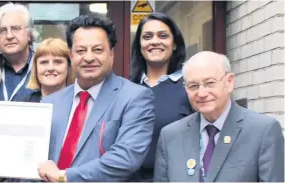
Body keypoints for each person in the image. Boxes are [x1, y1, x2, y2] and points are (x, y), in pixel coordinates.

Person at [36, 15, 155, 182]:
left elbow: (126, 158)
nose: (89, 57)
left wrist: (65, 177)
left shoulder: (135, 98)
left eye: (97, 50)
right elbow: (35, 159)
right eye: (81, 50)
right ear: (71, 56)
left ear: (111, 54)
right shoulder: (51, 102)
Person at [154, 51, 284, 182]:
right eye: (193, 86)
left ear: (229, 82)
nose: (202, 93)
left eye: (210, 83)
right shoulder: (170, 136)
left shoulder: (263, 131)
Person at [129, 12, 194, 181]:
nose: (155, 41)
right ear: (140, 45)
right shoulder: (126, 89)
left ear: (174, 44)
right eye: (147, 36)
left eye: (163, 36)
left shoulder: (190, 87)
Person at [0, 2, 39, 102]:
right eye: (2, 30)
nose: (9, 36)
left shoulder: (43, 67)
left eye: (15, 29)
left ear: (29, 34)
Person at [23, 38, 75, 102]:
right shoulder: (22, 106)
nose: (50, 68)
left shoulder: (80, 104)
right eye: (44, 62)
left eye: (57, 62)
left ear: (69, 66)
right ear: (36, 68)